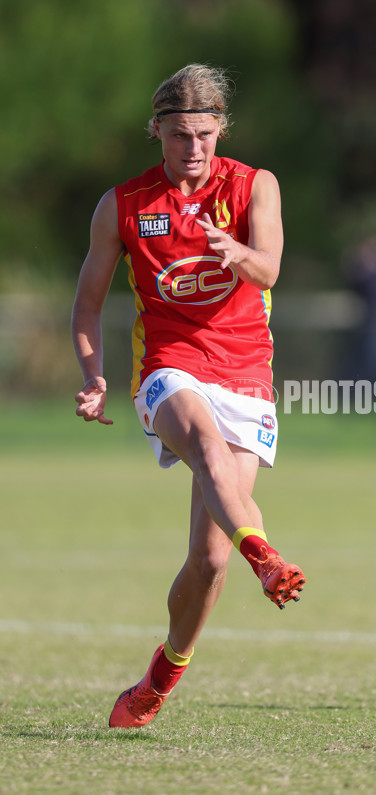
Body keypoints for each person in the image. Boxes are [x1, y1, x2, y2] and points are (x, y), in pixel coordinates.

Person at [71, 64, 306, 728]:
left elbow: (270, 267)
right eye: (179, 135)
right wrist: (94, 374)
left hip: (246, 372)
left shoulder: (255, 185)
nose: (193, 149)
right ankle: (266, 555)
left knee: (207, 559)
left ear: (220, 129)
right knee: (205, 445)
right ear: (157, 133)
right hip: (169, 366)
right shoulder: (123, 205)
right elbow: (86, 307)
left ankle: (160, 676)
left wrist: (236, 252)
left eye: (204, 134)